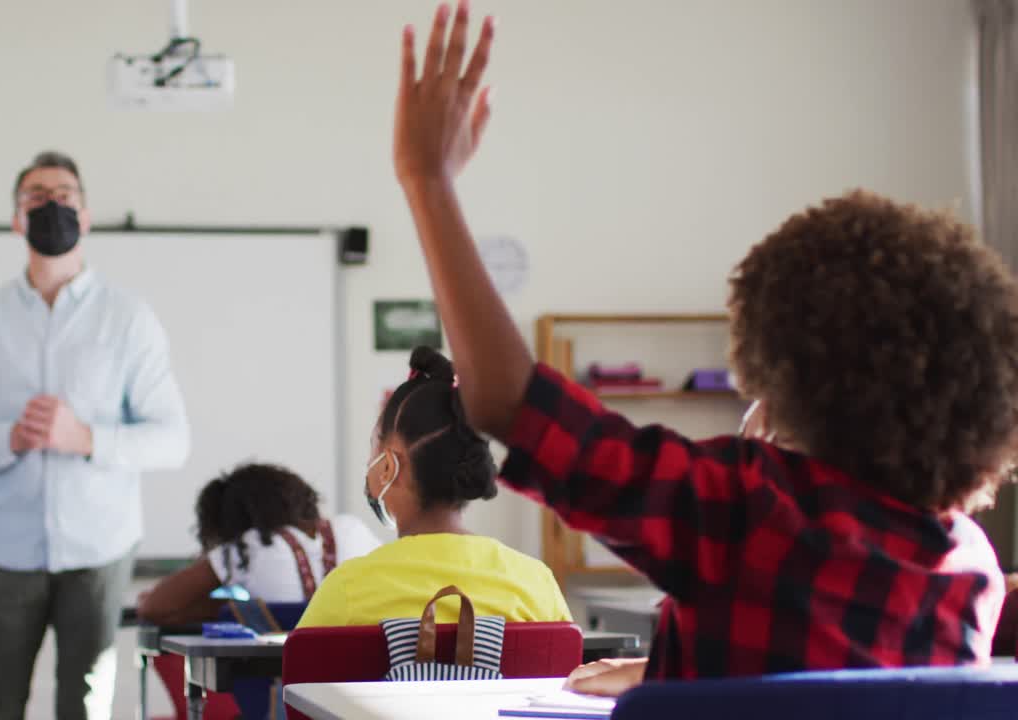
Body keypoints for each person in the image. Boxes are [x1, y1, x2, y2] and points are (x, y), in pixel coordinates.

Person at [391, 0, 1018, 695]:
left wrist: (429, 181)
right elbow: (831, 679)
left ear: (785, 386)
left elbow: (510, 402)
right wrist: (663, 672)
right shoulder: (967, 569)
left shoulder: (747, 515)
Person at [0, 151, 190, 720]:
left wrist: (87, 438)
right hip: (8, 551)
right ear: (17, 219)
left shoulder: (128, 316)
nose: (52, 205)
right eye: (37, 197)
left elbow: (172, 439)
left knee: (85, 708)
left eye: (64, 195)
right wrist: (11, 439)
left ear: (87, 214)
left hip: (100, 549)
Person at [297, 346, 573, 627]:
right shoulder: (535, 584)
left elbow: (298, 667)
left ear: (388, 467)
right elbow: (568, 667)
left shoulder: (346, 590)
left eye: (373, 447)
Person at [136, 462, 379, 625]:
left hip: (286, 691)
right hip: (370, 682)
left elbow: (154, 607)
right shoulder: (352, 529)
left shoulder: (252, 545)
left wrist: (237, 609)